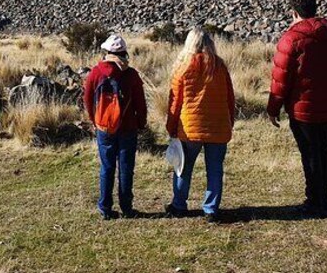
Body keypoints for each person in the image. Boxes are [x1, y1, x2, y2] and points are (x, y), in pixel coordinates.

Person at [266, 0, 327, 218]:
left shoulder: (291, 40)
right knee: (324, 150)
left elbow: (281, 78)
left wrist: (273, 108)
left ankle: (316, 200)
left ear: (294, 13)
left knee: (310, 153)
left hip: (301, 109)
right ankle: (325, 195)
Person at [164, 28, 235, 223]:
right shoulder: (220, 67)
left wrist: (171, 127)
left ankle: (179, 205)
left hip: (189, 129)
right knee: (215, 169)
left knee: (183, 168)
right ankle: (211, 209)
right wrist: (231, 121)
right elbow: (230, 98)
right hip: (218, 127)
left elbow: (174, 102)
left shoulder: (183, 67)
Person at [83, 34, 148, 220]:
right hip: (128, 127)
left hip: (104, 127)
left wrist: (95, 120)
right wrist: (141, 123)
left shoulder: (96, 72)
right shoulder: (131, 75)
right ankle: (127, 208)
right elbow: (140, 103)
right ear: (124, 52)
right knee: (126, 168)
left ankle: (105, 208)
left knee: (107, 167)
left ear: (107, 52)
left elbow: (87, 99)